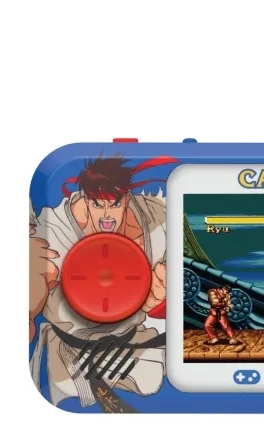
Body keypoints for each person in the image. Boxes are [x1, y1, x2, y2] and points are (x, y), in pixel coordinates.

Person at [29, 155, 174, 408]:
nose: (107, 215)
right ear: (86, 200)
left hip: (134, 346)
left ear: (126, 199)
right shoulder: (51, 234)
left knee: (155, 381)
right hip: (69, 356)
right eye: (97, 205)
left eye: (115, 204)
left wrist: (162, 299)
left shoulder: (156, 218)